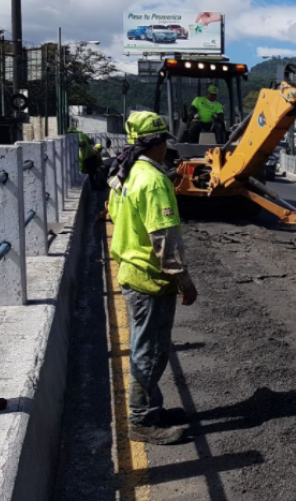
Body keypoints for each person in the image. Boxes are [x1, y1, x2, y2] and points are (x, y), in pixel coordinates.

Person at [107, 111, 199, 445]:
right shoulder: (154, 181)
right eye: (165, 144)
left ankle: (151, 407)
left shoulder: (125, 172)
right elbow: (165, 239)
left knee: (146, 346)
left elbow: (114, 214)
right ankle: (142, 420)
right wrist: (184, 281)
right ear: (157, 143)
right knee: (152, 351)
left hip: (131, 270)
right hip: (150, 278)